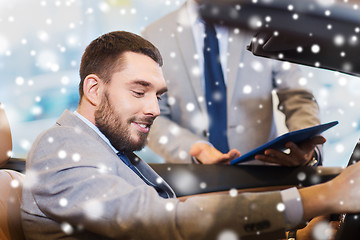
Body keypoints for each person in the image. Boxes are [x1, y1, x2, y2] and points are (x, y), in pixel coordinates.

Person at [21, 31, 360, 240]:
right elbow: (163, 221)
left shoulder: (108, 148)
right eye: (139, 92)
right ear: (94, 89)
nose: (155, 109)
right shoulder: (61, 148)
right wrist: (322, 197)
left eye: (158, 95)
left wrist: (293, 234)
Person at [142, 0, 324, 165]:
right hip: (191, 181)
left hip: (263, 178)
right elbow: (152, 117)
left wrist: (307, 147)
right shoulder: (155, 35)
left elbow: (297, 96)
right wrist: (195, 148)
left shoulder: (266, 26)